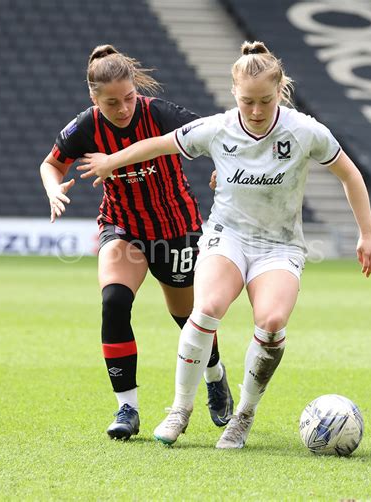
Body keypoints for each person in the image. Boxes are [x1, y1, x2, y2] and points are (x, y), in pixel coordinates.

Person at [77, 41, 371, 449]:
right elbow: (158, 144)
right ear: (234, 94)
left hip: (280, 245)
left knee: (272, 325)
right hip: (228, 237)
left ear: (280, 92)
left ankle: (244, 416)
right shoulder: (219, 127)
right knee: (205, 310)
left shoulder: (304, 130)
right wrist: (111, 162)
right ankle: (179, 410)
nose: (256, 112)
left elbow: (350, 174)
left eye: (265, 102)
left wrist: (368, 233)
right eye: (247, 102)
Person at [40, 44, 234, 441]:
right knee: (113, 303)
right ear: (94, 99)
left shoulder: (157, 112)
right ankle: (127, 407)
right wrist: (52, 188)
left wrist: (221, 165)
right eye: (112, 102)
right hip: (122, 227)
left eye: (129, 97)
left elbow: (215, 135)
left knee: (187, 319)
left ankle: (215, 374)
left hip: (175, 227)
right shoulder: (86, 125)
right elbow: (51, 162)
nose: (124, 108)